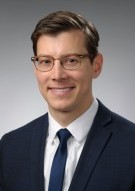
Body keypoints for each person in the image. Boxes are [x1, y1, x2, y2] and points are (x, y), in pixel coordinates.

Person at [0, 10, 135, 191]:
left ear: (96, 65)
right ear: (36, 68)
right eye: (46, 61)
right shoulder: (10, 147)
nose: (57, 75)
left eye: (71, 60)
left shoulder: (131, 145)